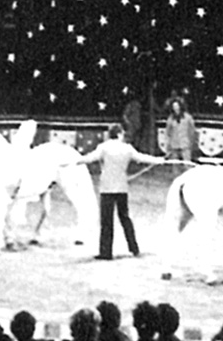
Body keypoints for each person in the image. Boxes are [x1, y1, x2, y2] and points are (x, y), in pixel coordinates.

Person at [80, 125, 170, 259]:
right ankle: (134, 248)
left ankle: (106, 252)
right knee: (125, 218)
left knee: (106, 221)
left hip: (107, 188)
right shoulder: (127, 148)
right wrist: (159, 160)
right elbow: (142, 158)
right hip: (122, 188)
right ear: (120, 134)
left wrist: (74, 161)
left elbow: (89, 158)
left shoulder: (104, 147)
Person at [162, 96, 195, 163]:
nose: (176, 108)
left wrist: (191, 143)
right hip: (174, 145)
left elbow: (192, 130)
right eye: (174, 107)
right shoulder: (170, 118)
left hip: (185, 144)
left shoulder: (188, 117)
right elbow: (168, 132)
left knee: (187, 164)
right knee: (175, 164)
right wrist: (168, 146)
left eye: (177, 106)